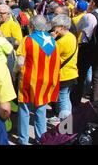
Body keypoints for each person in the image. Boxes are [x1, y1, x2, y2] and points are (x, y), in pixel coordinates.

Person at [16, 15, 60, 145]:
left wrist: (15, 73)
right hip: (46, 80)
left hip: (29, 80)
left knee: (24, 109)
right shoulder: (53, 41)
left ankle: (23, 140)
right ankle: (41, 138)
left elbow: (19, 62)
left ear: (32, 26)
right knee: (41, 110)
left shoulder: (27, 40)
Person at [72, 0, 98, 106]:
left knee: (81, 75)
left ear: (94, 3)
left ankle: (76, 102)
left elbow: (77, 29)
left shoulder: (88, 16)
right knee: (97, 77)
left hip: (87, 49)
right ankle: (95, 103)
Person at [50, 15, 78, 122]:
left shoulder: (61, 42)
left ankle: (66, 126)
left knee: (63, 100)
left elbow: (48, 52)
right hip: (71, 73)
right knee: (66, 98)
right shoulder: (72, 36)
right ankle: (67, 123)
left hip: (64, 75)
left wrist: (52, 39)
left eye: (55, 27)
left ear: (61, 27)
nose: (53, 29)